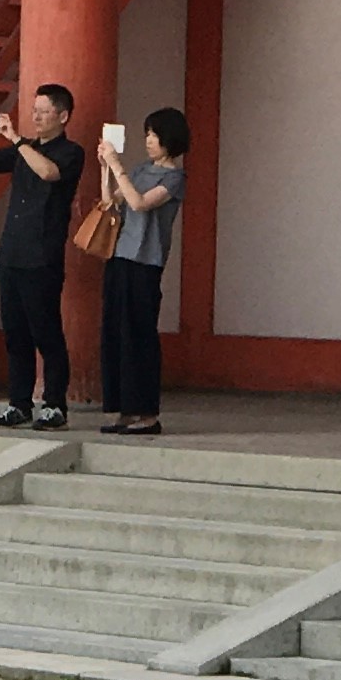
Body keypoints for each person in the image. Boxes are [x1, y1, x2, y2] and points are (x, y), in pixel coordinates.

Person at [0, 82, 85, 429]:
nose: (35, 116)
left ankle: (54, 404)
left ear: (62, 116)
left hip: (43, 256)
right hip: (11, 254)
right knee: (15, 334)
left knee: (46, 332)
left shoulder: (70, 152)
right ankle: (19, 403)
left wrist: (17, 140)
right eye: (33, 111)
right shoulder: (26, 149)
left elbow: (49, 173)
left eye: (43, 111)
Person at [96, 107, 190, 440]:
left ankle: (147, 412)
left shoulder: (174, 178)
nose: (149, 140)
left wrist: (118, 168)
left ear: (169, 139)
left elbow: (140, 203)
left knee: (139, 335)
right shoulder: (138, 169)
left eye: (154, 134)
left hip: (146, 262)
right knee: (114, 333)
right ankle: (121, 408)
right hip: (120, 256)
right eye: (147, 134)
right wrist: (106, 169)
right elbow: (113, 203)